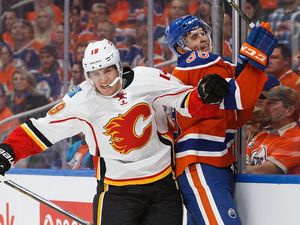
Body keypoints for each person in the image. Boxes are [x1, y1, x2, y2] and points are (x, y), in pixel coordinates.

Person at [0, 39, 230, 225]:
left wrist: (206, 94)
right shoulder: (81, 101)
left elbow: (189, 102)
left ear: (118, 67)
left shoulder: (148, 79)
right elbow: (42, 130)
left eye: (108, 71)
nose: (103, 80)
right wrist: (8, 151)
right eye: (95, 74)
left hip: (163, 186)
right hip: (117, 192)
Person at [165, 15, 278, 225]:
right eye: (193, 37)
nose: (202, 39)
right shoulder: (196, 62)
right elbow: (240, 96)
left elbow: (236, 115)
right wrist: (256, 55)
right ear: (182, 48)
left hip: (213, 160)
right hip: (200, 160)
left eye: (202, 33)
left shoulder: (206, 66)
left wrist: (248, 61)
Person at [246, 85, 300, 174]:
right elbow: (240, 164)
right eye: (265, 102)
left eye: (271, 103)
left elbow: (258, 172)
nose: (264, 106)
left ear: (289, 110)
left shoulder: (296, 139)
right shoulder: (261, 135)